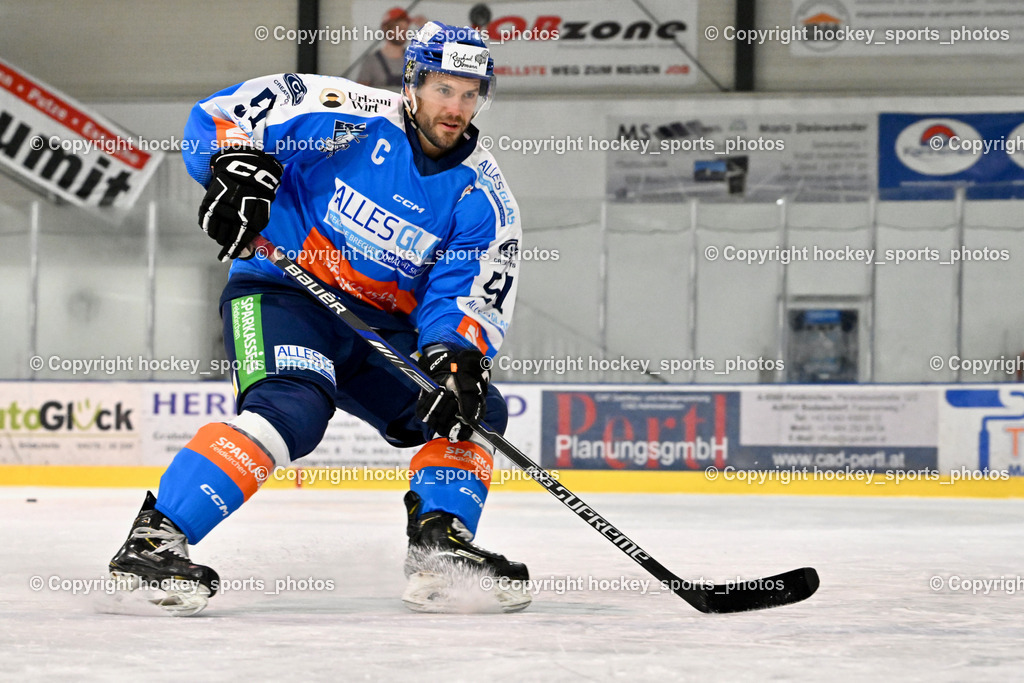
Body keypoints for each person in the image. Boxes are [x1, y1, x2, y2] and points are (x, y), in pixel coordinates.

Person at [108, 21, 527, 615]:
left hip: (374, 330)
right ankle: (154, 541)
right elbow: (223, 114)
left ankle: (440, 548)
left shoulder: (482, 198)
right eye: (442, 88)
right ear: (412, 84)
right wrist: (231, 167)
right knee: (291, 409)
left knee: (471, 409)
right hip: (279, 291)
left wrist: (456, 353)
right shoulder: (341, 110)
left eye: (469, 92)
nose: (454, 107)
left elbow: (466, 295)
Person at [355, 7, 423, 91]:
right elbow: (359, 93)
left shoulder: (413, 59)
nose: (403, 32)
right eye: (399, 28)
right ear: (386, 29)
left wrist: (429, 29)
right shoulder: (371, 61)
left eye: (405, 29)